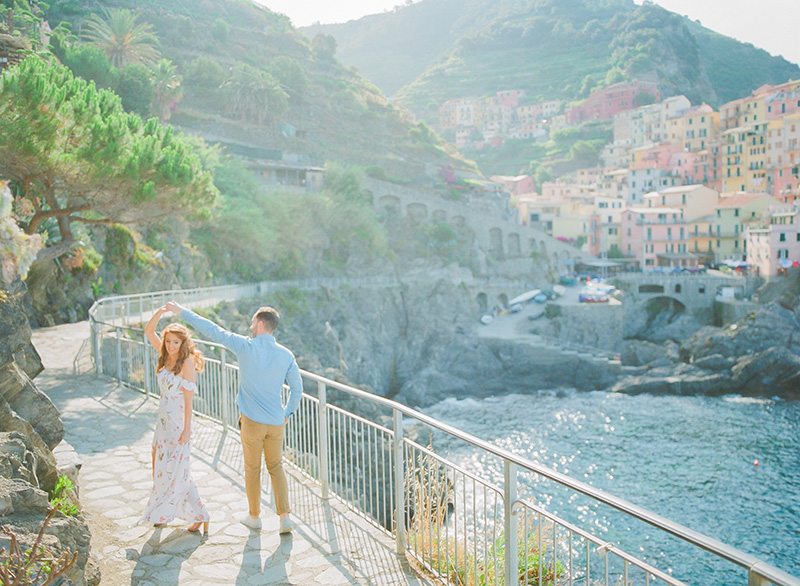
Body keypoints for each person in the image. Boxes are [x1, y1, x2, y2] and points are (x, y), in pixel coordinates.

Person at [165, 301, 302, 534]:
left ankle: (254, 516)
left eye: (252, 322)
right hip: (277, 422)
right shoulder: (286, 355)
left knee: (252, 468)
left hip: (252, 421)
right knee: (276, 466)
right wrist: (287, 412)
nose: (250, 326)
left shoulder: (244, 346)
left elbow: (212, 329)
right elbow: (297, 390)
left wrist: (181, 312)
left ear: (259, 324)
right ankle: (284, 517)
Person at [139, 306, 210, 534]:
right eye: (168, 341)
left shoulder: (186, 363)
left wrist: (187, 430)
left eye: (175, 342)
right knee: (161, 469)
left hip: (179, 424)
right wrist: (160, 312)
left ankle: (199, 514)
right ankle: (163, 511)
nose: (170, 346)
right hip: (163, 423)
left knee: (179, 471)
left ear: (183, 344)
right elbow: (149, 331)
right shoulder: (164, 356)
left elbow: (189, 401)